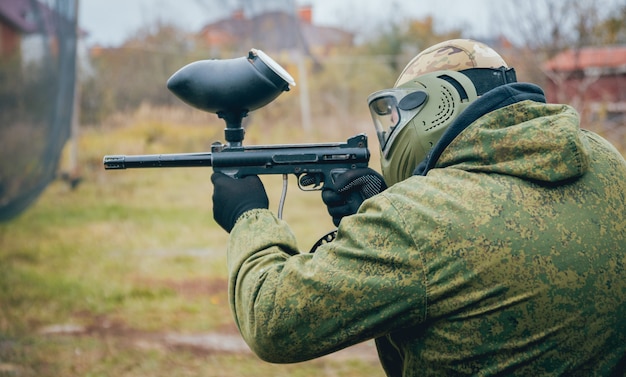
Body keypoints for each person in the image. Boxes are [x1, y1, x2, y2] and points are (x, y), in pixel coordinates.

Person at [211, 39, 626, 376]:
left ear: (436, 106)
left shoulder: (419, 220)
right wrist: (373, 219)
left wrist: (248, 214)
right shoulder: (604, 159)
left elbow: (273, 321)